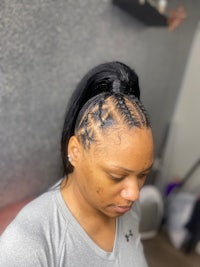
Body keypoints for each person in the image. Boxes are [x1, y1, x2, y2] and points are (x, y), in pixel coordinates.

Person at [0, 61, 154, 266]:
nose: (134, 194)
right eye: (117, 176)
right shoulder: (28, 245)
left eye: (143, 174)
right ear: (75, 151)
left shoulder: (128, 209)